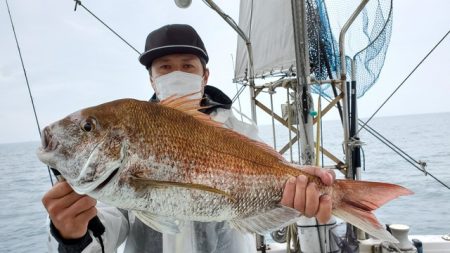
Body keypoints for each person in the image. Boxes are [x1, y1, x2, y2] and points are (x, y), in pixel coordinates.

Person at [42, 24, 335, 253]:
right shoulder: (123, 150)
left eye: (187, 65)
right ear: (152, 79)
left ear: (204, 75)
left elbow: (266, 198)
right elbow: (108, 226)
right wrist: (71, 232)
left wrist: (299, 190)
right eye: (165, 67)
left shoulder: (241, 132)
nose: (176, 73)